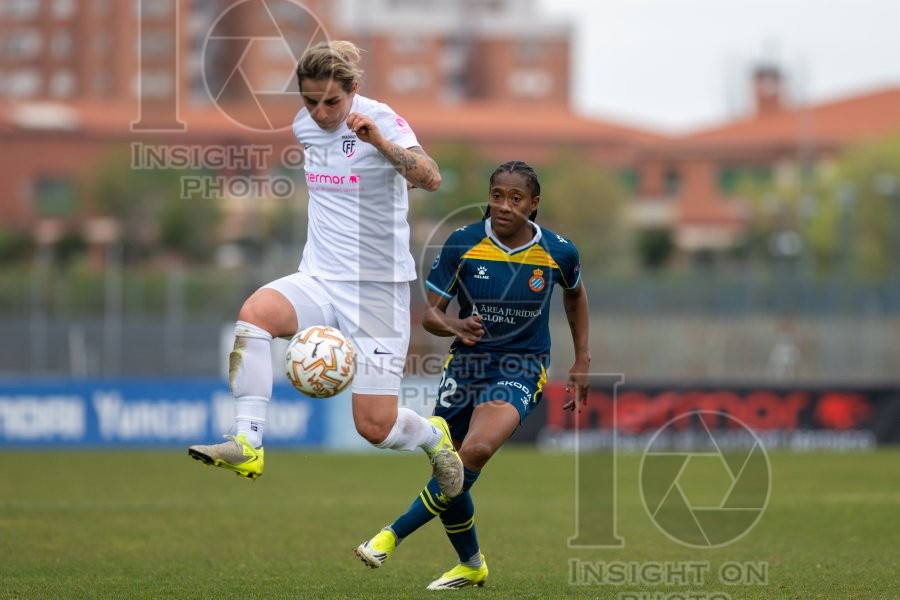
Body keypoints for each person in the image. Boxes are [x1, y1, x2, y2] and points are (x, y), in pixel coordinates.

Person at [188, 40, 465, 498]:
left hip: (377, 291)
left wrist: (379, 142)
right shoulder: (305, 126)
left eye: (332, 101)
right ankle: (248, 442)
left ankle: (434, 436)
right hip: (319, 277)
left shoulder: (383, 120)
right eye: (310, 101)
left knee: (375, 427)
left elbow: (430, 177)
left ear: (354, 89)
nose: (320, 112)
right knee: (254, 315)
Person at [354, 160, 591, 589]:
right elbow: (430, 315)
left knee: (475, 451)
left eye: (515, 198)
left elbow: (575, 297)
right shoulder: (461, 244)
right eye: (497, 195)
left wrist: (581, 361)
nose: (503, 206)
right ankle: (471, 564)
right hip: (465, 367)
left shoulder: (559, 251)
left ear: (534, 204)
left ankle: (391, 534)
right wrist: (455, 326)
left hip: (522, 366)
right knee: (449, 468)